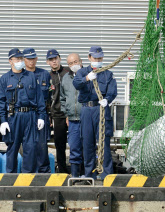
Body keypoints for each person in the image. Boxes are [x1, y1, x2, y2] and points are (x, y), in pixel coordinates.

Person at [73, 46, 117, 180]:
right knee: (87, 143)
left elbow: (112, 91)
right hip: (87, 109)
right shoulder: (82, 72)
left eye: (100, 58)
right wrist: (86, 78)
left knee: (104, 142)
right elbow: (76, 84)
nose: (98, 60)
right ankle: (89, 174)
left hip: (101, 109)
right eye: (95, 58)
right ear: (89, 58)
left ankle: (106, 174)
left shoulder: (107, 74)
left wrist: (107, 100)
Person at [0, 48, 46, 173]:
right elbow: (1, 102)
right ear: (10, 61)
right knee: (12, 147)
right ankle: (10, 177)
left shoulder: (31, 76)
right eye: (17, 59)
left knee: (30, 147)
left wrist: (41, 116)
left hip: (30, 116)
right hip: (13, 117)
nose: (20, 61)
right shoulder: (4, 79)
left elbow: (39, 98)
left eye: (21, 58)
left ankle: (27, 177)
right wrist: (3, 121)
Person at [23, 47, 51, 173]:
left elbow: (50, 98)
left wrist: (49, 116)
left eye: (33, 58)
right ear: (24, 60)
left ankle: (44, 173)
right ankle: (29, 172)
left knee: (42, 145)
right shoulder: (21, 75)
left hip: (42, 114)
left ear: (37, 59)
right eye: (28, 59)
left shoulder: (45, 74)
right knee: (28, 145)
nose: (31, 61)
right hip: (27, 114)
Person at [60, 53, 83, 177]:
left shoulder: (88, 76)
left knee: (88, 148)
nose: (73, 65)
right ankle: (75, 176)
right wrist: (67, 114)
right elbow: (62, 98)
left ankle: (88, 175)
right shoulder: (66, 78)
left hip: (86, 118)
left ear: (81, 61)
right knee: (74, 148)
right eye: (70, 63)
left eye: (75, 62)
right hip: (73, 120)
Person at [46, 49, 69, 173]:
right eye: (51, 59)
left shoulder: (68, 72)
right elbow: (48, 99)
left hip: (71, 114)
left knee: (77, 143)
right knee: (60, 144)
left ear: (60, 58)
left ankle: (79, 170)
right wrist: (50, 116)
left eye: (55, 58)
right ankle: (62, 171)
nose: (54, 61)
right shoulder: (48, 76)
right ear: (47, 62)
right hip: (57, 115)